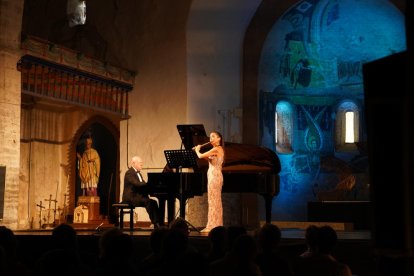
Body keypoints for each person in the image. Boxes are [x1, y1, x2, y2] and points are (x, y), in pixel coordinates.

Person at [194, 131, 225, 233]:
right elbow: (209, 159)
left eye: (213, 137)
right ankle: (215, 224)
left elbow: (200, 156)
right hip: (214, 175)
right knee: (214, 201)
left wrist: (197, 150)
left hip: (214, 176)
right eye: (210, 137)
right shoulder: (217, 149)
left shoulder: (216, 148)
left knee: (213, 201)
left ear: (219, 138)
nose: (211, 139)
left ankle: (212, 226)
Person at [122, 156, 161, 228]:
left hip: (137, 196)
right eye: (140, 163)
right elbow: (137, 183)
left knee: (153, 202)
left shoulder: (138, 173)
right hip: (131, 197)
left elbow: (142, 184)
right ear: (134, 163)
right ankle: (156, 223)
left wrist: (149, 187)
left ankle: (157, 222)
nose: (142, 165)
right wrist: (148, 184)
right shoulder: (129, 173)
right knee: (148, 202)